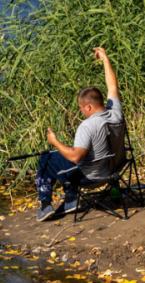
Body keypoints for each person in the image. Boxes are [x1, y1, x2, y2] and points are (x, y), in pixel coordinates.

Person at [36, 47, 124, 221]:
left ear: (89, 107)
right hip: (115, 168)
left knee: (46, 158)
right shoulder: (115, 113)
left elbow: (75, 157)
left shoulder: (87, 126)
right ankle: (70, 200)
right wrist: (105, 59)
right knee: (67, 153)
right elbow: (112, 85)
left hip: (92, 177)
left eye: (81, 107)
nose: (81, 110)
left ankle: (45, 205)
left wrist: (54, 141)